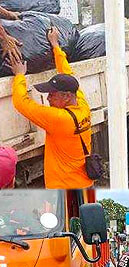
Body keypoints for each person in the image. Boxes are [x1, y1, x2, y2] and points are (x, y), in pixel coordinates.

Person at [7, 27, 93, 189]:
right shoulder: (81, 104)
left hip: (63, 187)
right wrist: (55, 46)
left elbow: (22, 103)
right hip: (83, 182)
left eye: (52, 94)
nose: (47, 98)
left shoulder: (59, 119)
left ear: (66, 96)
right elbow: (68, 73)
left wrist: (19, 75)